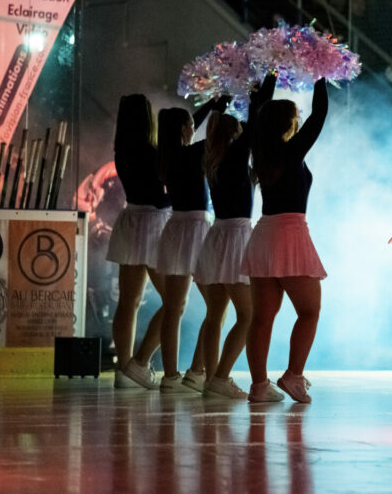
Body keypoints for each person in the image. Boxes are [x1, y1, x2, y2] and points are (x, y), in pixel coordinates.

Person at [242, 78, 329, 403]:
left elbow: (257, 110)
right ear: (288, 123)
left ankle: (259, 385)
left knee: (262, 316)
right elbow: (319, 115)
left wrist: (271, 76)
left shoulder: (260, 148)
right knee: (310, 310)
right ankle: (293, 375)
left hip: (264, 234)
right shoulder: (291, 151)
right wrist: (321, 74)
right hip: (289, 233)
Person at [193, 77, 275, 399]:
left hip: (216, 238)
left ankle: (213, 377)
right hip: (236, 237)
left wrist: (229, 95)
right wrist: (265, 82)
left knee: (215, 314)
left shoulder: (209, 158)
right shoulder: (234, 157)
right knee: (249, 314)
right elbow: (256, 120)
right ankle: (221, 376)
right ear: (234, 136)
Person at [153, 100, 222, 393]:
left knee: (172, 306)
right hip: (197, 228)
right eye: (192, 126)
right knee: (217, 304)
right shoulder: (195, 153)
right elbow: (220, 134)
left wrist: (212, 105)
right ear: (185, 130)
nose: (195, 128)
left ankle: (171, 376)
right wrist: (220, 109)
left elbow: (181, 125)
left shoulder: (166, 155)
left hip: (175, 228)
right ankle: (198, 371)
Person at [107, 94, 171, 390]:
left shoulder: (122, 149)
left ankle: (124, 366)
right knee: (174, 300)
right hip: (153, 224)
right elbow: (159, 199)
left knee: (128, 300)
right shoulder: (150, 150)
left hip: (130, 220)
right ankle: (141, 362)